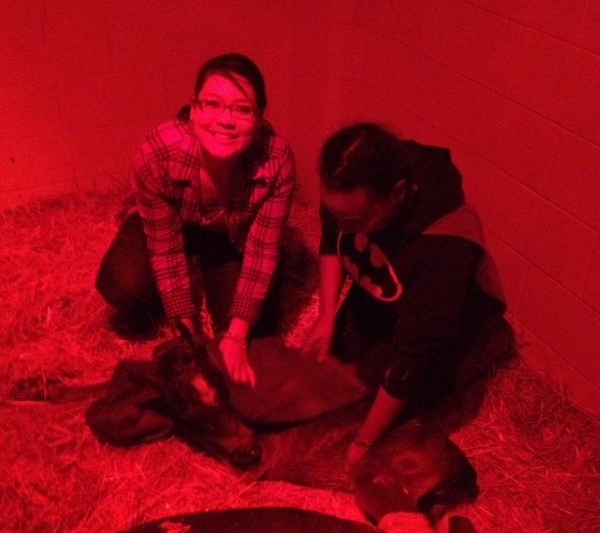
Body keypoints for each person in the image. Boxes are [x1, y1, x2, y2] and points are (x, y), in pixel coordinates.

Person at [304, 123, 513, 467]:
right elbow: (332, 240)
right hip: (384, 291)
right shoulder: (352, 185)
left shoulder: (445, 249)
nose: (342, 227)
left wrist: (363, 443)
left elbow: (408, 364)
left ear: (398, 193)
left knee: (371, 406)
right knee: (333, 374)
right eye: (336, 214)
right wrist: (326, 316)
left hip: (434, 321)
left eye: (353, 219)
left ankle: (481, 350)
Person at [96, 53, 296, 388]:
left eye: (243, 109)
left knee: (254, 333)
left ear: (260, 118)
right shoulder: (159, 152)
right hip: (170, 223)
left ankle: (211, 270)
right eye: (212, 104)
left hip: (229, 236)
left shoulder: (276, 161)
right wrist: (188, 330)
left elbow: (261, 254)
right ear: (193, 110)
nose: (225, 120)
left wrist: (236, 336)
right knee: (124, 286)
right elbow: (165, 248)